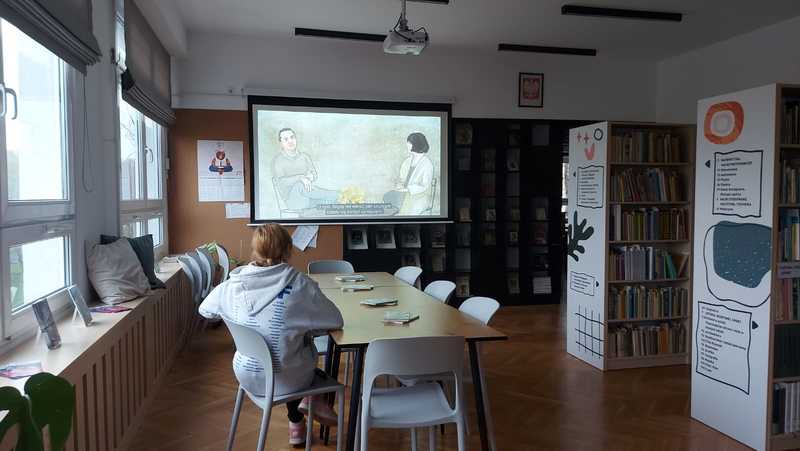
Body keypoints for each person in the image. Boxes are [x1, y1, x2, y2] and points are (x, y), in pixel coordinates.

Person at [199, 224, 344, 447]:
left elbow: (205, 311)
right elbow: (335, 320)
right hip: (286, 380)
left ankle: (298, 422)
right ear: (288, 251)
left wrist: (236, 316)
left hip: (246, 374)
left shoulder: (233, 284)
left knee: (289, 349)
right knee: (298, 350)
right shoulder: (300, 285)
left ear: (254, 251)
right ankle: (312, 398)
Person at [271, 128, 339, 213]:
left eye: (292, 137)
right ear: (281, 143)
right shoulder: (278, 160)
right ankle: (334, 194)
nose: (290, 141)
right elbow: (281, 181)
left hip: (309, 197)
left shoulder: (304, 157)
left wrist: (310, 176)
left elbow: (314, 174)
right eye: (286, 139)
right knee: (300, 185)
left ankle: (334, 197)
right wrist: (301, 178)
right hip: (293, 201)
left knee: (331, 202)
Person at [385, 132, 435, 215]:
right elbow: (401, 179)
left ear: (417, 144)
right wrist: (399, 185)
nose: (407, 144)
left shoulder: (427, 164)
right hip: (404, 194)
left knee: (408, 209)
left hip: (419, 196)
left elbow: (424, 186)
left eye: (409, 142)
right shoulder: (407, 161)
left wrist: (408, 189)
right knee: (388, 197)